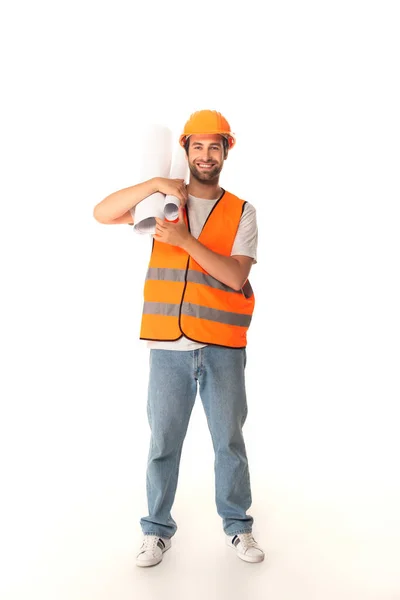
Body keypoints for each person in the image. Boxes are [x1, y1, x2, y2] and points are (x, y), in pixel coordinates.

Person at [93, 110, 265, 567]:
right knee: (163, 443)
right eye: (197, 147)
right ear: (185, 151)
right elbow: (102, 212)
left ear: (226, 151)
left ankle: (238, 527)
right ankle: (155, 531)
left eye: (214, 147)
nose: (205, 155)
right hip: (168, 345)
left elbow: (233, 276)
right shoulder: (161, 200)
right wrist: (154, 183)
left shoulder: (241, 211)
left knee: (228, 441)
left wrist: (185, 240)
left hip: (223, 347)